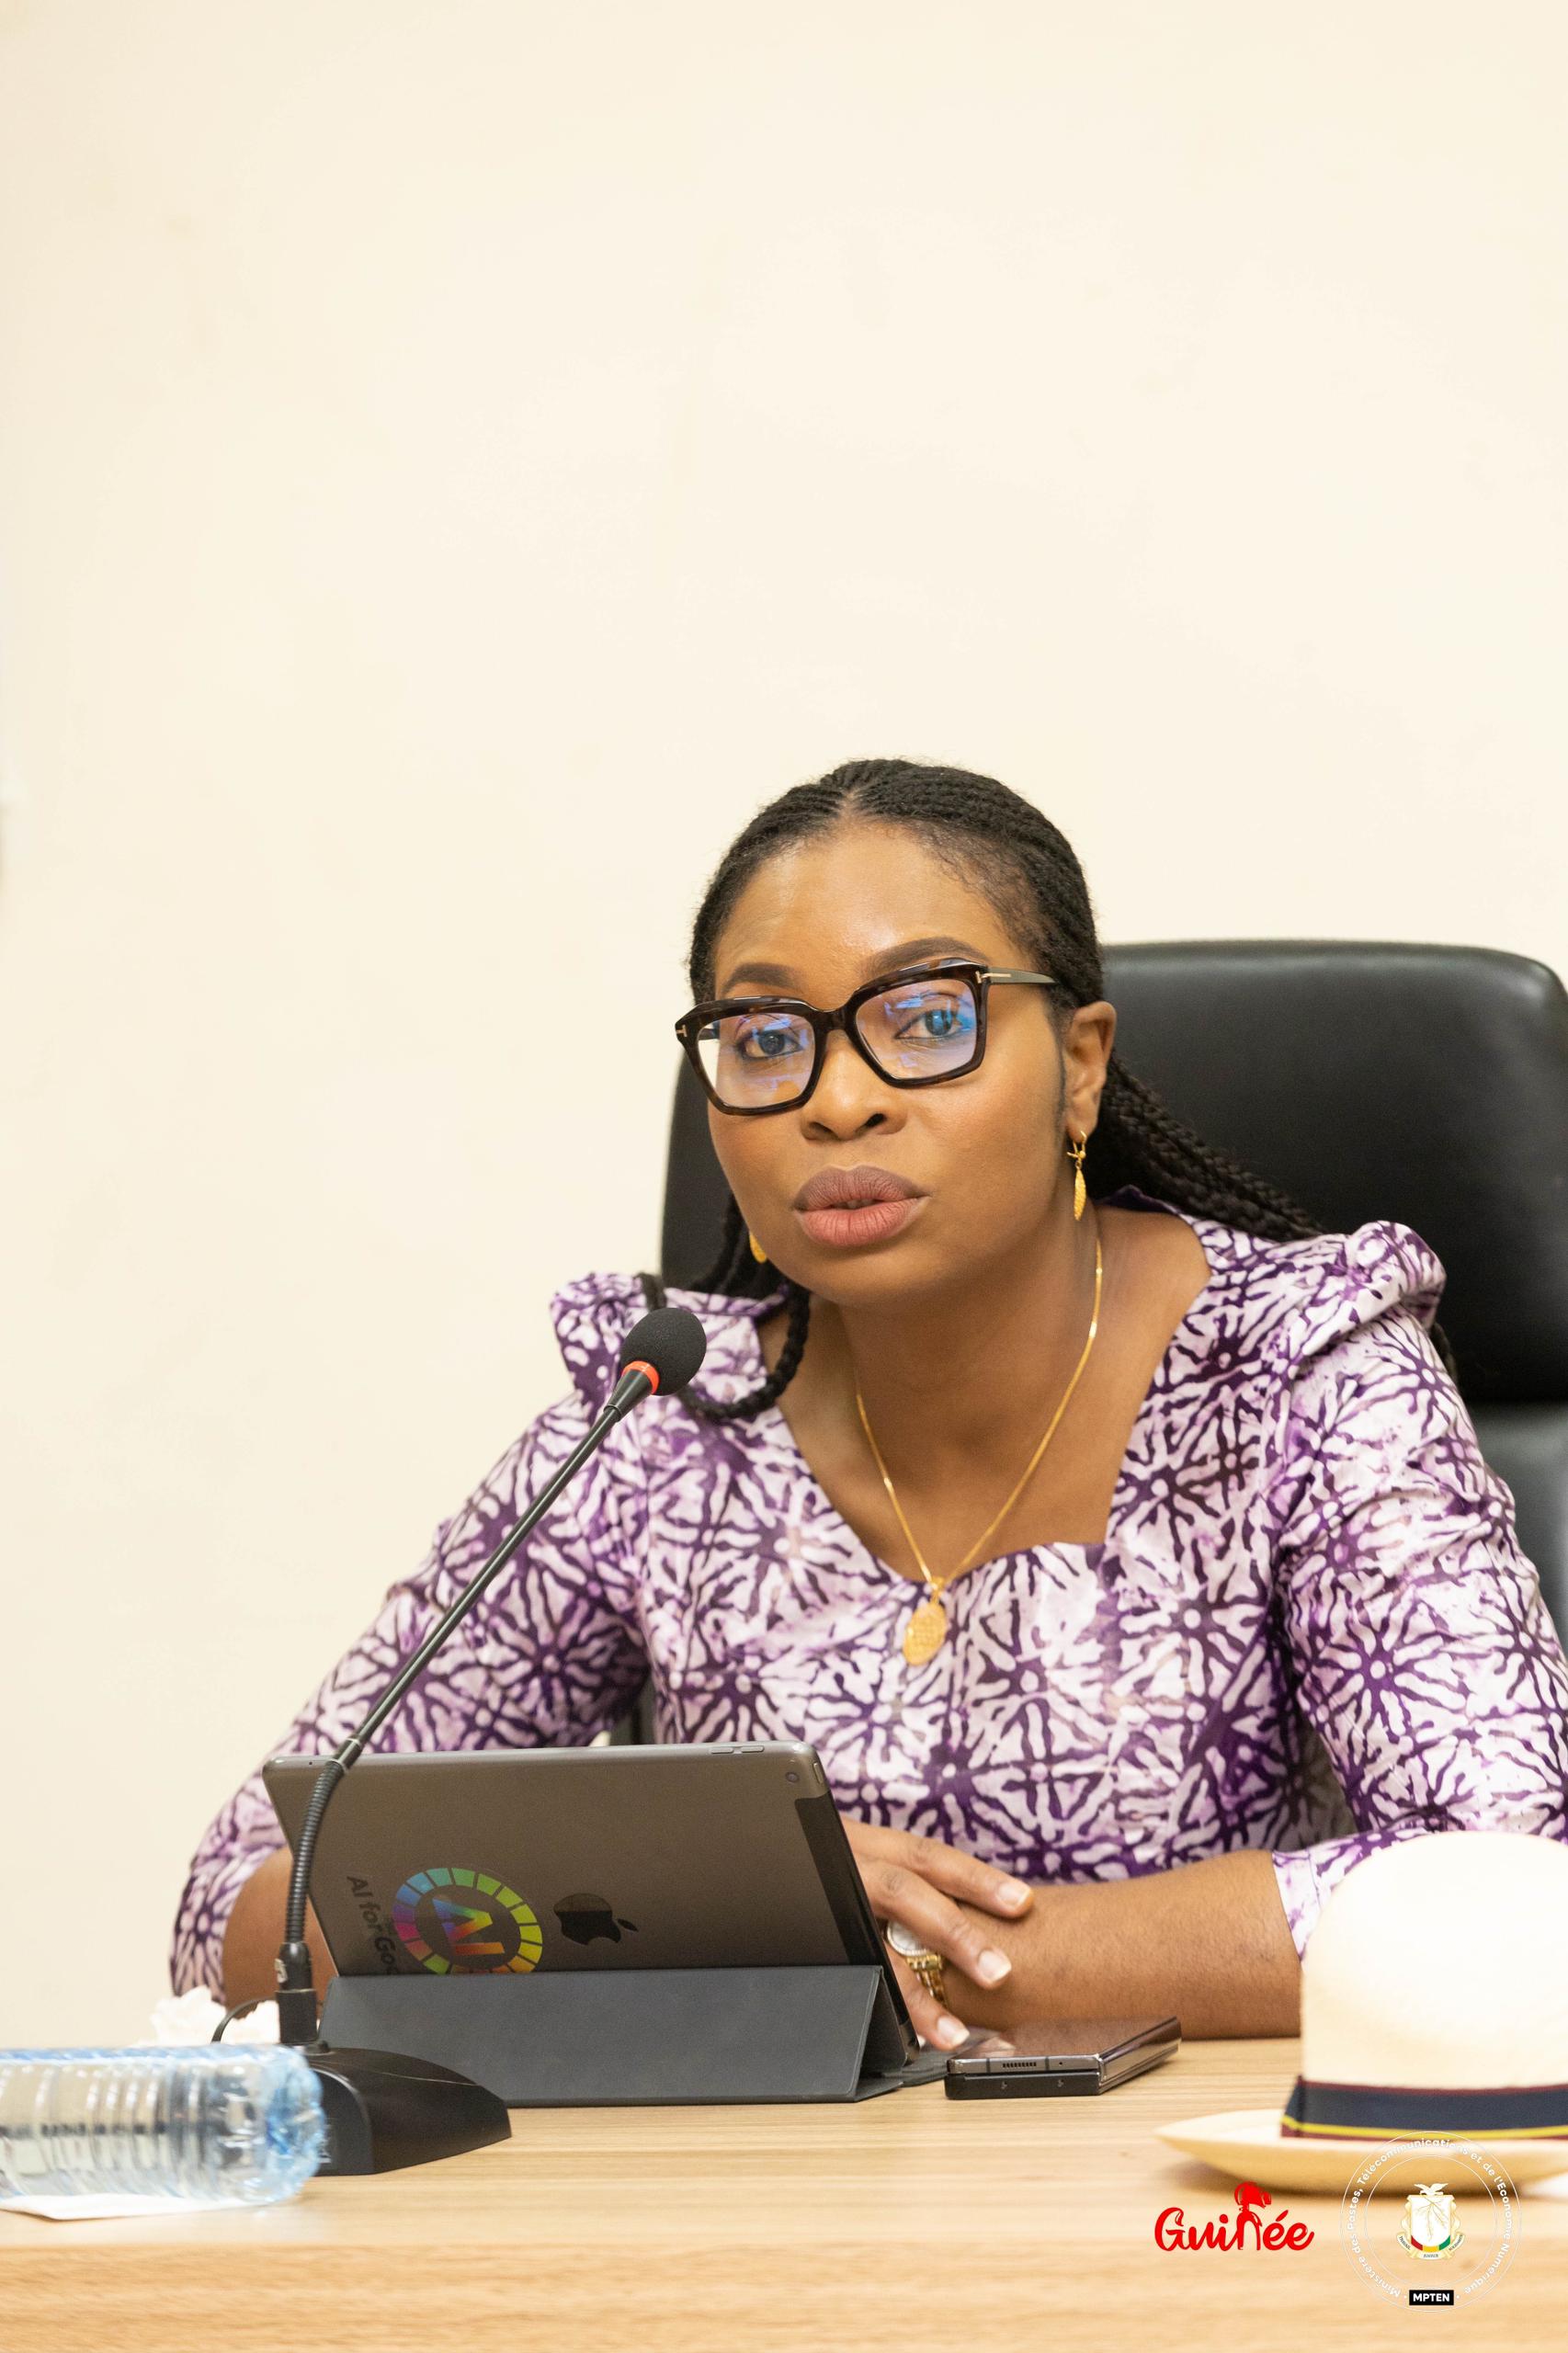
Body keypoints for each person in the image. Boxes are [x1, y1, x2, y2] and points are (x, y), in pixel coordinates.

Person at [175, 758, 1568, 2046]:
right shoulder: (664, 1428)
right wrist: (709, 1909)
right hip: (767, 2203)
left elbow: (1513, 1880)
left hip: (1190, 2190)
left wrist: (884, 1956)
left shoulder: (1300, 1372)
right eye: (764, 1038)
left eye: (925, 1019)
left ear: (1081, 1064)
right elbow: (236, 1909)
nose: (836, 1101)